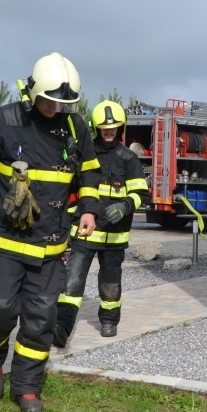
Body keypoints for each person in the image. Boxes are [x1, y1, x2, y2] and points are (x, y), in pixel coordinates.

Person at [0, 52, 101, 412]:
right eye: (50, 101)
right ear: (32, 93)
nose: (55, 109)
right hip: (4, 246)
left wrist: (89, 207)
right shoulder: (2, 122)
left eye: (63, 104)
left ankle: (28, 387)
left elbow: (90, 172)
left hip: (50, 249)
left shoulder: (75, 128)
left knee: (41, 319)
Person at [54, 100, 149, 347]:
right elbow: (69, 183)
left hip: (114, 236)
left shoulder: (128, 159)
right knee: (71, 281)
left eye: (114, 127)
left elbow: (142, 193)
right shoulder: (85, 153)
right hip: (84, 233)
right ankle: (61, 328)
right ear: (96, 128)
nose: (109, 131)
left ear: (121, 127)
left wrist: (126, 205)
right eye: (104, 128)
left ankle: (109, 321)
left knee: (110, 284)